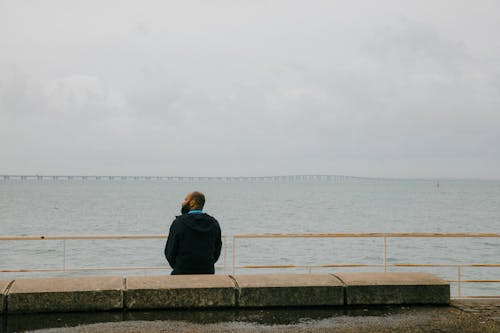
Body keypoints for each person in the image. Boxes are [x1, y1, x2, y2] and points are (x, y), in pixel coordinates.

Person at [164, 191, 222, 275]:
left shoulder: (179, 223)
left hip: (181, 272)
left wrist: (179, 266)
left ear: (192, 202)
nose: (183, 202)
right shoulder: (213, 223)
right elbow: (217, 250)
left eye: (186, 199)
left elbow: (170, 251)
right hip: (207, 272)